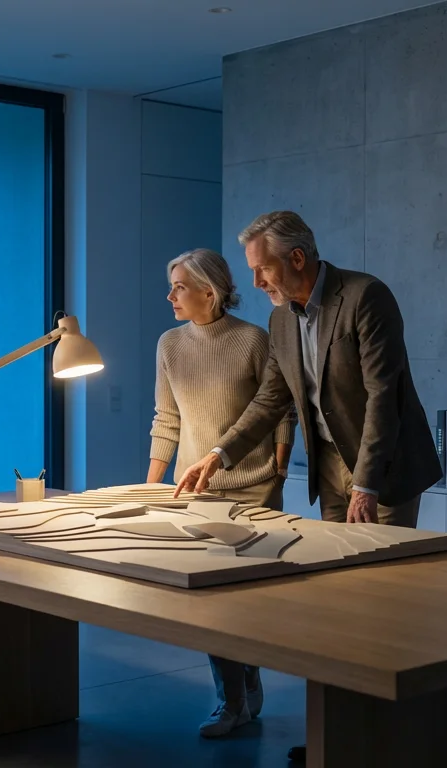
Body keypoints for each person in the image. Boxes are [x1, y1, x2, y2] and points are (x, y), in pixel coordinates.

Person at [173, 212, 441, 763]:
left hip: (383, 470)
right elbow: (271, 399)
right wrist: (218, 456)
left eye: (262, 268)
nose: (255, 282)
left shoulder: (365, 297)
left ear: (297, 258)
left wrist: (366, 483)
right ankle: (337, 731)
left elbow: (383, 397)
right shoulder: (280, 321)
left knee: (382, 604)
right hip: (331, 475)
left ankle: (386, 736)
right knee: (338, 605)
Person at [147, 247, 296, 739]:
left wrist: (279, 467)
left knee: (248, 600)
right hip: (196, 494)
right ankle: (232, 699)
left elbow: (280, 406)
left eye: (179, 287)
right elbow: (166, 420)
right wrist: (150, 485)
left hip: (255, 491)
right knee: (212, 600)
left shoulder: (253, 339)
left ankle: (246, 682)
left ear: (209, 292)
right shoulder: (169, 344)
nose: (170, 296)